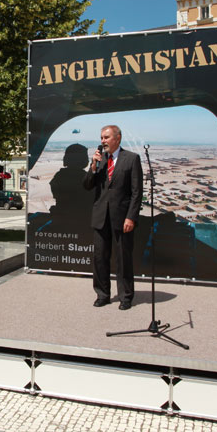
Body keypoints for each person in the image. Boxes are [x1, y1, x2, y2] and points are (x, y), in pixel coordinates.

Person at [83, 125, 142, 310]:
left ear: (117, 138)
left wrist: (131, 217)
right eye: (101, 137)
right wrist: (93, 166)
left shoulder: (131, 159)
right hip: (101, 217)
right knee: (100, 257)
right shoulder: (99, 160)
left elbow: (136, 192)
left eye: (106, 137)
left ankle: (125, 297)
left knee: (123, 259)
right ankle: (103, 294)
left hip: (122, 218)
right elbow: (87, 186)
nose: (103, 141)